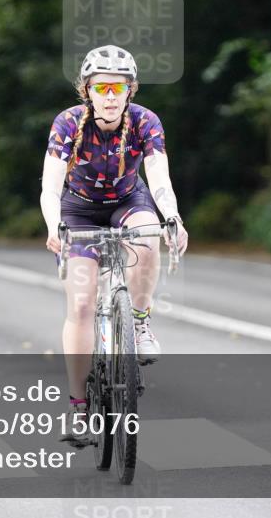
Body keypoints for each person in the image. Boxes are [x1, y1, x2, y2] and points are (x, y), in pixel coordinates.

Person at [40, 45, 189, 446]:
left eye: (118, 87)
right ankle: (77, 408)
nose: (109, 95)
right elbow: (50, 185)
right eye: (101, 86)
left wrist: (172, 216)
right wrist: (54, 225)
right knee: (83, 303)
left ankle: (138, 320)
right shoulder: (68, 124)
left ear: (130, 90)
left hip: (129, 200)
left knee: (148, 236)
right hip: (79, 210)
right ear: (86, 89)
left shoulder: (145, 123)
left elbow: (158, 177)